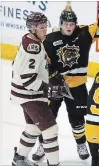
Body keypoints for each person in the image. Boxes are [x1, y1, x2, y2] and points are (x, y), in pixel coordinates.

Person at [32, 1, 99, 162]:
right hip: (55, 86)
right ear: (61, 24)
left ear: (75, 24)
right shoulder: (49, 40)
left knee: (77, 119)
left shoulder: (84, 33)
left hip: (77, 86)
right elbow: (41, 63)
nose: (69, 27)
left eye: (71, 24)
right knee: (48, 119)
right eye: (66, 24)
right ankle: (43, 146)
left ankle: (81, 143)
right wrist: (51, 73)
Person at [10, 12, 60, 166]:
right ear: (32, 29)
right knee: (51, 129)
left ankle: (19, 159)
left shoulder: (29, 39)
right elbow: (28, 79)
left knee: (33, 128)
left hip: (25, 94)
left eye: (45, 27)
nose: (45, 30)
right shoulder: (33, 47)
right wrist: (48, 89)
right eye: (41, 28)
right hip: (31, 95)